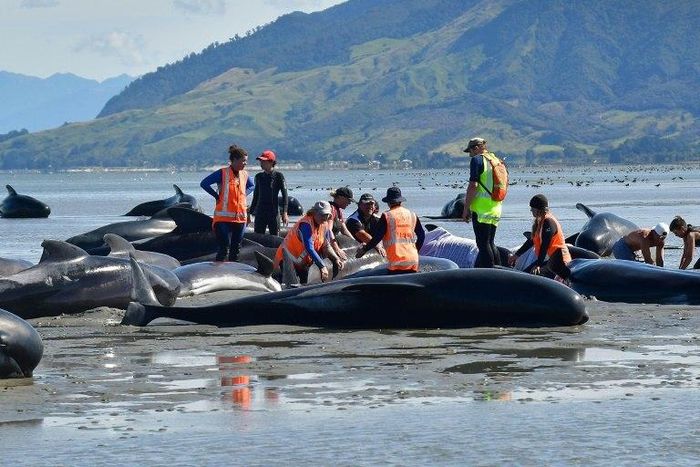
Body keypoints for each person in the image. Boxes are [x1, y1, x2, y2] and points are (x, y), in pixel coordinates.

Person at [200, 144, 254, 262]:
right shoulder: (222, 173)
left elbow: (252, 186)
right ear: (234, 160)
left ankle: (234, 272)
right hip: (223, 219)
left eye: (246, 161)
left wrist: (244, 194)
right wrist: (216, 195)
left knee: (236, 249)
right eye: (243, 161)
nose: (245, 163)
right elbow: (204, 183)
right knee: (224, 248)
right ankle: (219, 272)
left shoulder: (244, 174)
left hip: (240, 218)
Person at [356, 187, 425, 274]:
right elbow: (422, 235)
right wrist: (416, 250)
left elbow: (377, 237)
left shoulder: (387, 216)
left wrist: (365, 249)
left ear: (388, 202)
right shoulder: (412, 214)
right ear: (400, 201)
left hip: (396, 261)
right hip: (413, 260)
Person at [275, 200, 344, 284]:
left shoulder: (324, 224)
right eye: (322, 214)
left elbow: (326, 245)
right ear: (314, 213)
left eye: (327, 215)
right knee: (288, 286)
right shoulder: (306, 225)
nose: (324, 217)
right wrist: (322, 266)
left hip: (302, 262)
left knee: (304, 283)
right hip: (287, 260)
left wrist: (336, 258)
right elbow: (309, 248)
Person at [461, 137, 503, 268]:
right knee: (490, 242)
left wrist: (466, 208)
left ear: (476, 148)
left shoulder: (477, 160)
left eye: (471, 151)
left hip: (481, 209)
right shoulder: (496, 160)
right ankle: (500, 270)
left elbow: (473, 185)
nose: (470, 154)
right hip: (496, 207)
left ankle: (491, 272)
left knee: (483, 244)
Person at [509, 194, 572, 280]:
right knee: (526, 274)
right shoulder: (540, 222)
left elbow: (545, 245)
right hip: (549, 260)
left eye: (532, 207)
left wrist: (538, 265)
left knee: (535, 276)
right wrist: (516, 255)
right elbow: (531, 241)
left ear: (538, 209)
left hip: (560, 261)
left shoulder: (548, 221)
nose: (531, 210)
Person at [248, 150, 288, 236]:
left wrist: (285, 213)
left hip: (273, 212)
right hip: (260, 212)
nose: (261, 163)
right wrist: (250, 213)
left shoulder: (278, 176)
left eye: (263, 161)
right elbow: (256, 196)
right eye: (260, 161)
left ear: (271, 162)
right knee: (258, 236)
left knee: (274, 237)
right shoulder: (258, 176)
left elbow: (285, 195)